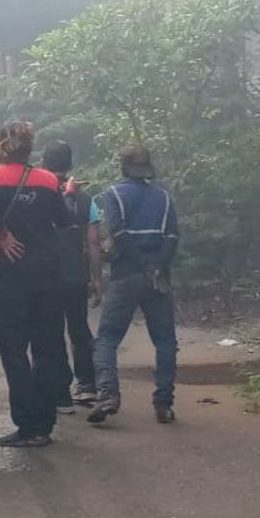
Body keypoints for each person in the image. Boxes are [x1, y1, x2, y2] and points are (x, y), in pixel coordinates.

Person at [0, 122, 74, 447]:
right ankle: (44, 424)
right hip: (48, 273)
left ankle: (27, 423)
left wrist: (2, 231)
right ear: (31, 147)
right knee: (45, 346)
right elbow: (65, 220)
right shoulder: (47, 180)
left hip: (14, 273)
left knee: (11, 345)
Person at [88, 146, 181, 425]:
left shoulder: (113, 195)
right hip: (157, 277)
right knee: (165, 341)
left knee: (107, 339)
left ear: (124, 167)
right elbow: (173, 236)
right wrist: (155, 266)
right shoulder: (164, 198)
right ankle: (163, 404)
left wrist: (141, 264)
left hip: (126, 275)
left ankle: (108, 394)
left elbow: (118, 233)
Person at [40, 141, 104, 412]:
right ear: (70, 165)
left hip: (47, 276)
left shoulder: (38, 193)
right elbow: (93, 243)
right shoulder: (86, 199)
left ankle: (60, 392)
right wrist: (97, 278)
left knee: (51, 333)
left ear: (44, 163)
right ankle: (87, 385)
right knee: (79, 329)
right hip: (76, 276)